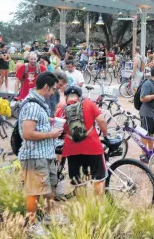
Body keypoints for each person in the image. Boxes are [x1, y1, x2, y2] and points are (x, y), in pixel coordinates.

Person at [18, 71, 67, 236]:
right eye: (53, 89)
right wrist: (51, 134)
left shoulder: (39, 103)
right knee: (34, 192)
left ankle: (48, 217)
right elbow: (28, 133)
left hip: (45, 154)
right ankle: (31, 225)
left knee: (49, 189)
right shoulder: (32, 105)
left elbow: (36, 126)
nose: (53, 92)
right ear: (46, 87)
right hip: (35, 156)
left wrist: (49, 123)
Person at [54, 86, 108, 196]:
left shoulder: (61, 109)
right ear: (80, 96)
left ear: (65, 96)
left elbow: (57, 130)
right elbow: (101, 120)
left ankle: (82, 206)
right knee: (98, 180)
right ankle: (99, 207)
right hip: (93, 147)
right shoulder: (89, 103)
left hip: (72, 149)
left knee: (78, 182)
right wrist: (105, 134)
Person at [139, 65, 154, 163]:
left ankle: (150, 152)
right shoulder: (148, 84)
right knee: (145, 134)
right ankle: (143, 155)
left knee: (151, 133)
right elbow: (142, 98)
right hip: (147, 114)